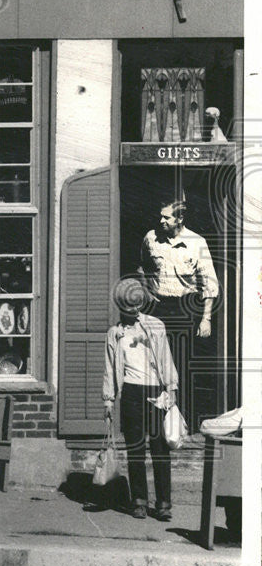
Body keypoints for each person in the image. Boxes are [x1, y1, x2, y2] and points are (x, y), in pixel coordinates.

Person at [138, 194, 218, 429]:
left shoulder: (197, 242)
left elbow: (209, 284)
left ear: (180, 218)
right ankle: (156, 424)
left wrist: (206, 319)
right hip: (157, 307)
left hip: (185, 309)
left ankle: (183, 423)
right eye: (160, 216)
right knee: (153, 363)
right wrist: (146, 290)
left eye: (166, 217)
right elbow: (142, 266)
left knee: (181, 365)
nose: (161, 221)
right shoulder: (151, 238)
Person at [102, 278, 179, 520]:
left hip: (156, 392)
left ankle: (164, 504)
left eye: (136, 306)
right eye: (127, 308)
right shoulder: (115, 334)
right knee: (135, 449)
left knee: (160, 449)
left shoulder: (155, 326)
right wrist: (108, 399)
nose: (132, 312)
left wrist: (171, 388)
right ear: (120, 307)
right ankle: (139, 501)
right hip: (132, 393)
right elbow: (109, 368)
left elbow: (165, 358)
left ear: (141, 303)